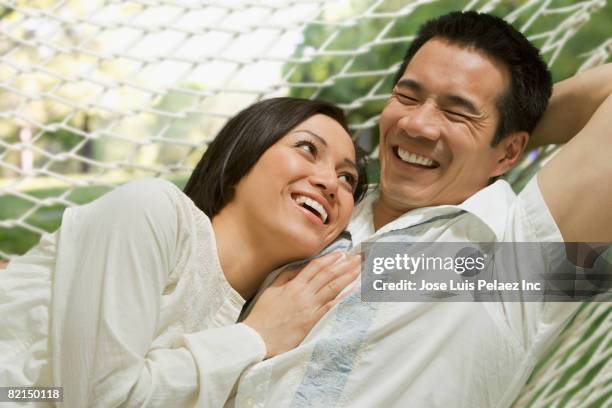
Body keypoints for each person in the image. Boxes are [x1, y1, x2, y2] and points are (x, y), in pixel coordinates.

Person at [229, 12, 612, 408]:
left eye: (457, 111)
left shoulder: (522, 257)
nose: (417, 125)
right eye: (408, 96)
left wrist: (507, 133)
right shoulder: (319, 206)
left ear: (511, 150)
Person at [0, 97, 369, 407]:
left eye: (347, 178)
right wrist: (255, 336)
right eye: (307, 148)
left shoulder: (270, 315)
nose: (330, 183)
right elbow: (100, 398)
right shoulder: (151, 209)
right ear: (244, 154)